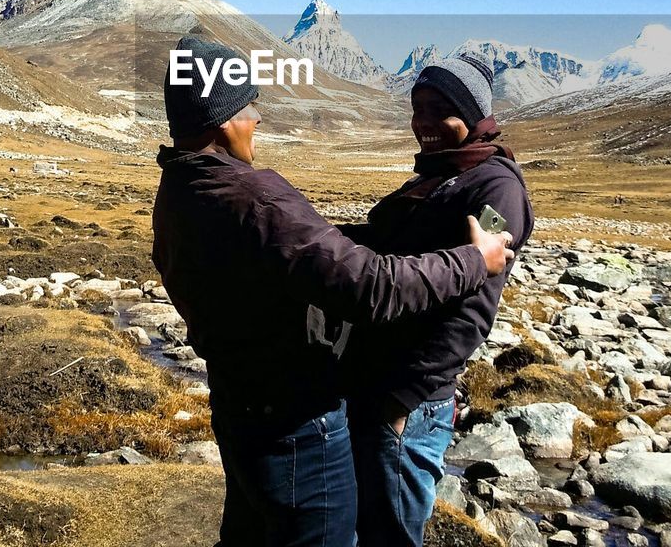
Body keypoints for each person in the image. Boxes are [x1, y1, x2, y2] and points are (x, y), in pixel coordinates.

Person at [152, 37, 515, 547]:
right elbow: (371, 285)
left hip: (245, 404)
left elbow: (467, 315)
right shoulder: (254, 196)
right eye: (250, 106)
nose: (258, 120)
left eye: (442, 110)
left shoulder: (179, 188)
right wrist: (475, 259)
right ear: (223, 118)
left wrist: (403, 393)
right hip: (298, 419)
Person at [342, 54, 535, 547]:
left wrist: (405, 396)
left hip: (410, 397)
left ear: (474, 116)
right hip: (377, 379)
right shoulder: (442, 174)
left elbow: (474, 307)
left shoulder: (495, 188)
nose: (423, 123)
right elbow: (394, 241)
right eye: (417, 108)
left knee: (391, 532)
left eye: (440, 110)